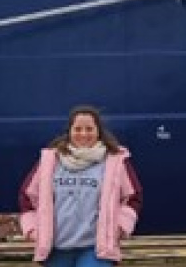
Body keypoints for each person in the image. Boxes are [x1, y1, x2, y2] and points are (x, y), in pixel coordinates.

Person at [19, 105, 142, 267]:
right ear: (69, 131)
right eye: (78, 129)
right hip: (55, 249)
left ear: (98, 131)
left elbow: (132, 197)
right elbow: (28, 196)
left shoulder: (115, 161)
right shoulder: (50, 161)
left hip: (95, 249)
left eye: (89, 129)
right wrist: (34, 231)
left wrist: (119, 227)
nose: (83, 134)